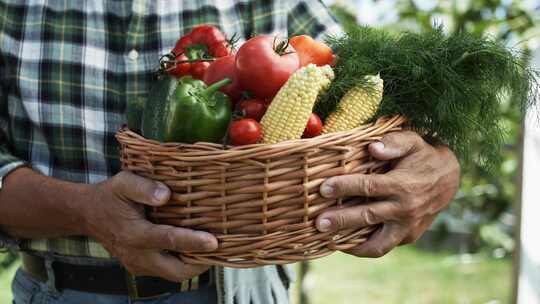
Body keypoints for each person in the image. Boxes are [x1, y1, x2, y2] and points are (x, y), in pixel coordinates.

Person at [0, 1, 460, 303]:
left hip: (242, 291)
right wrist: (86, 211)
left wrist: (442, 164)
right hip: (65, 291)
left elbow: (370, 85)